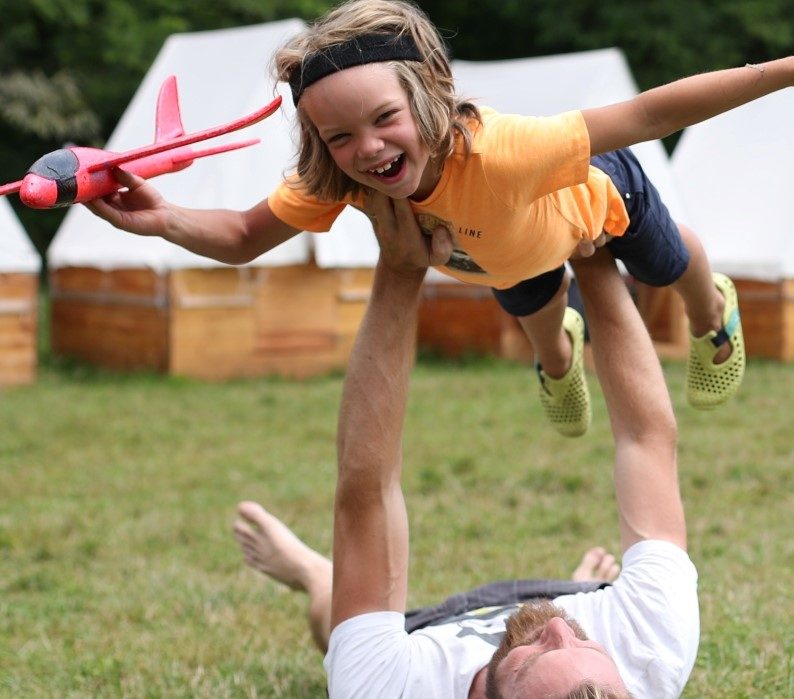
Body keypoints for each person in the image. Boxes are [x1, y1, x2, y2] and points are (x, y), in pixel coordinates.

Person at [85, 0, 791, 436]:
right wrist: (161, 218)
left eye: (384, 118)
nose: (366, 148)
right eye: (338, 137)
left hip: (599, 200)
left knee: (667, 264)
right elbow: (242, 237)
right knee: (545, 335)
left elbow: (649, 113)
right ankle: (557, 357)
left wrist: (782, 71)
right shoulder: (338, 181)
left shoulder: (506, 148)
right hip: (508, 255)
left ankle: (712, 313)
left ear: (428, 98)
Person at [232, 193, 698, 698]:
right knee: (566, 625)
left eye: (542, 651)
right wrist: (594, 252)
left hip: (424, 632)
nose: (561, 630)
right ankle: (574, 599)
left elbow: (367, 493)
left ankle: (307, 570)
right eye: (584, 647)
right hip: (580, 604)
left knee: (339, 627)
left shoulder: (396, 688)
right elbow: (646, 438)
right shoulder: (649, 648)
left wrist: (400, 266)